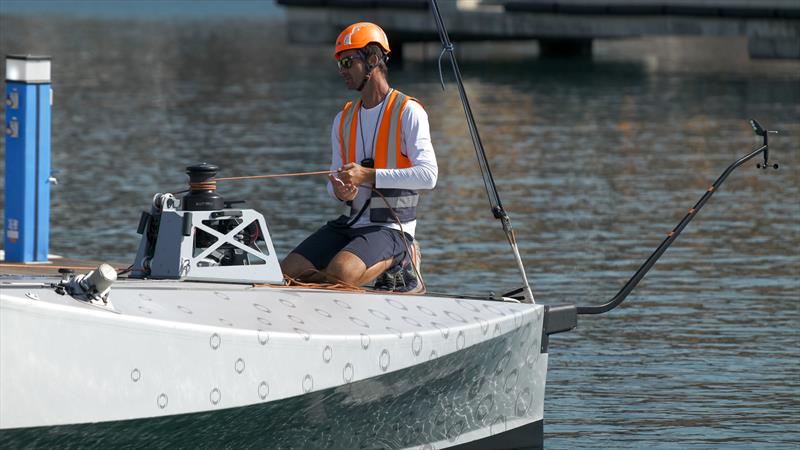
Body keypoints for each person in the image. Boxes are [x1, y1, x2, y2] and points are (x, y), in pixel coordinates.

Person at [281, 22, 438, 292]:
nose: (341, 70)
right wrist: (342, 192)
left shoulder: (409, 112)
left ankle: (404, 258)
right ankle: (332, 282)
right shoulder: (342, 119)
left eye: (347, 61)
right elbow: (333, 183)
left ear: (373, 60)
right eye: (338, 63)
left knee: (341, 274)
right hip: (351, 223)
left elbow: (429, 175)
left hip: (392, 227)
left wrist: (368, 175)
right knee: (285, 273)